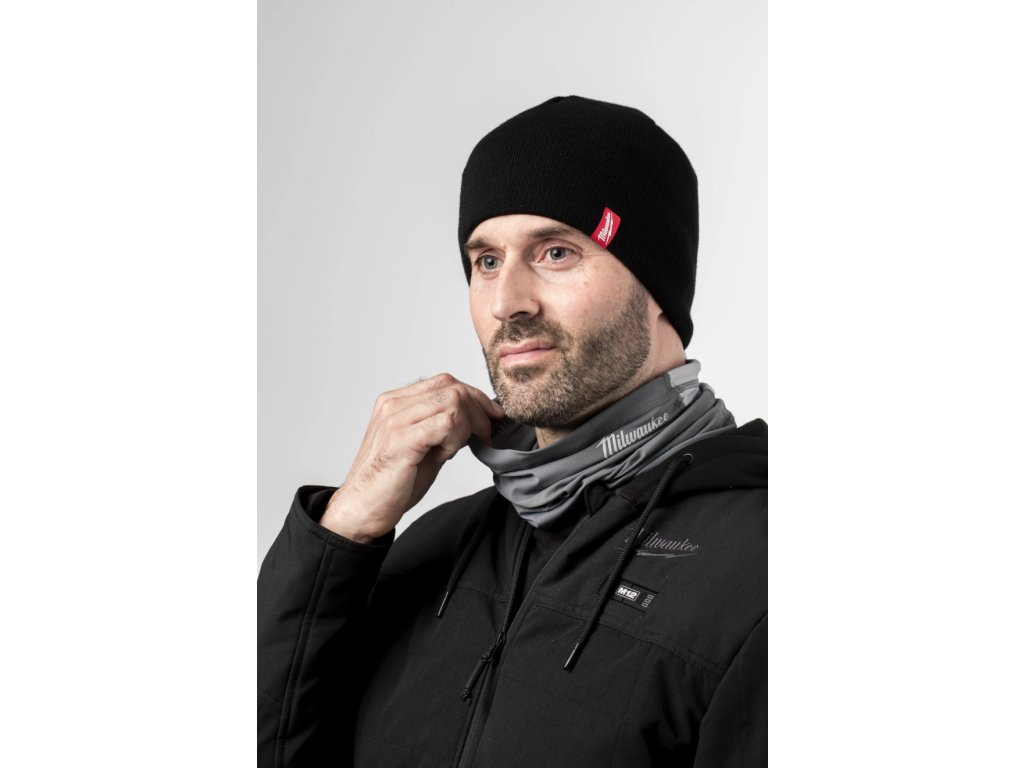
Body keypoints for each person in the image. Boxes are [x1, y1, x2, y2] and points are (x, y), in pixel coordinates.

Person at [258, 95, 767, 768]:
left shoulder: (763, 567)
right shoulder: (434, 547)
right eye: (487, 261)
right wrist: (342, 533)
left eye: (555, 252)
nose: (506, 303)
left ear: (657, 287)